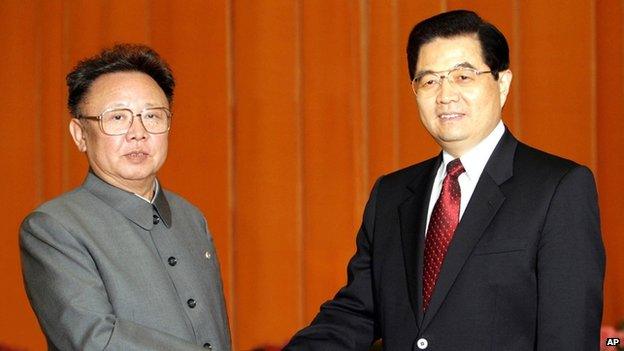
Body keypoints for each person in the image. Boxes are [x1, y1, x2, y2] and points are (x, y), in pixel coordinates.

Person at [285, 10, 605, 351]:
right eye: (429, 80)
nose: (445, 95)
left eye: (463, 77)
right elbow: (356, 314)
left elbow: (568, 337)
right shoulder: (391, 196)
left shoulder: (558, 188)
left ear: (503, 82)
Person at [20, 44, 231, 350]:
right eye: (117, 117)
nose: (138, 132)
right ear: (80, 135)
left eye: (153, 116)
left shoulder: (191, 217)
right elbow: (94, 340)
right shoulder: (53, 227)